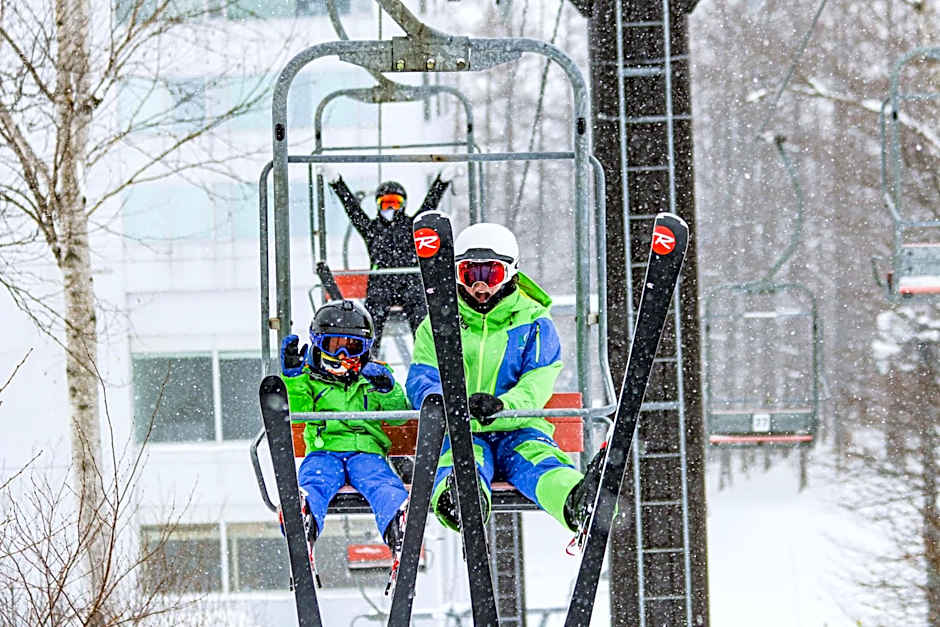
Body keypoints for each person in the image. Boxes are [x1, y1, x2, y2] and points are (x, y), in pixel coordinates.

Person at [405, 222, 605, 535]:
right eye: (469, 275)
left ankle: (575, 499)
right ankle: (460, 498)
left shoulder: (534, 322)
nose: (479, 287)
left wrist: (504, 405)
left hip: (519, 425)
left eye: (491, 275)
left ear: (511, 272)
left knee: (538, 460)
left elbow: (538, 380)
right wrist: (449, 405)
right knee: (462, 460)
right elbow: (422, 376)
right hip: (463, 430)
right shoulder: (439, 323)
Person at [278, 299, 411, 555]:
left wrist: (387, 388)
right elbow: (298, 413)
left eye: (352, 347)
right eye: (334, 345)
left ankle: (397, 521)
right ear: (318, 344)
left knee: (381, 483)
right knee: (316, 479)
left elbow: (398, 418)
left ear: (365, 349)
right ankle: (303, 518)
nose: (342, 356)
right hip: (324, 450)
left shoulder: (372, 377)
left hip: (367, 453)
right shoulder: (309, 378)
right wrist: (292, 380)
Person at [326, 169, 453, 354]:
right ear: (378, 205)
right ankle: (369, 356)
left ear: (403, 204)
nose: (390, 208)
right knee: (372, 317)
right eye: (385, 203)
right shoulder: (372, 229)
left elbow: (430, 203)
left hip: (409, 284)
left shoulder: (412, 226)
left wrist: (442, 182)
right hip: (381, 286)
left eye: (395, 203)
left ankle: (428, 356)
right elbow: (353, 210)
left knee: (421, 314)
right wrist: (337, 184)